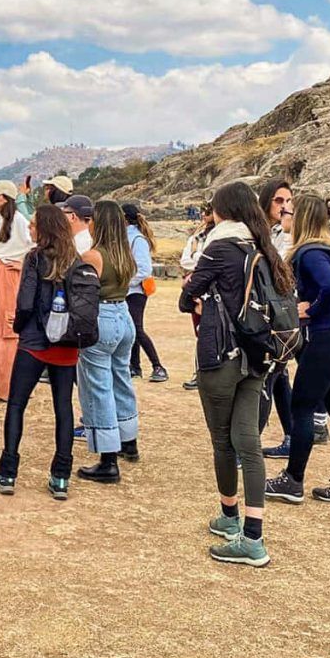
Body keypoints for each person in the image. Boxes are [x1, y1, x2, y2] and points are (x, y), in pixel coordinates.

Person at [179, 180, 293, 567]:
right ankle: (253, 535)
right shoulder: (264, 247)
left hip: (222, 355)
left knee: (222, 442)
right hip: (259, 356)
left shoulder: (220, 246)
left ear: (223, 210)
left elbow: (185, 298)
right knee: (249, 441)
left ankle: (230, 518)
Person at [265, 195, 330, 506]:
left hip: (326, 340)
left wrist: (311, 310)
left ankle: (293, 479)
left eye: (288, 212)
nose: (284, 215)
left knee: (302, 407)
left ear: (303, 218)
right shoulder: (329, 249)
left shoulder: (309, 253)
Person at [0, 204, 98, 499]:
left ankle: (8, 472)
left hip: (35, 343)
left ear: (44, 228)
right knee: (63, 409)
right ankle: (60, 476)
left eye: (34, 224)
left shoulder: (35, 258)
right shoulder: (75, 260)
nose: (29, 227)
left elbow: (25, 302)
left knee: (16, 404)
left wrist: (21, 326)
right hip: (66, 347)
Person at [75, 200, 139, 483]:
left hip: (102, 318)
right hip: (124, 315)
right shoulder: (125, 253)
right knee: (121, 378)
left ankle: (107, 457)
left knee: (97, 386)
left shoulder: (93, 255)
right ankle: (129, 440)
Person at [255, 178, 317, 456]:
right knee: (278, 378)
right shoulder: (264, 232)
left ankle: (249, 446)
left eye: (288, 201)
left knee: (268, 377)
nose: (284, 207)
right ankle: (292, 435)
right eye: (278, 201)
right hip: (270, 313)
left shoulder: (290, 235)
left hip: (281, 316)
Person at [0, 180, 33, 400]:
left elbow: (33, 244)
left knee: (6, 327)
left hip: (7, 273)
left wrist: (21, 264)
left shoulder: (19, 220)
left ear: (6, 198)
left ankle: (9, 386)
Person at [122, 203, 168, 382]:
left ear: (124, 218)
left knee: (137, 329)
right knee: (130, 329)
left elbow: (144, 269)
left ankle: (158, 366)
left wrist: (125, 283)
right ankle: (135, 366)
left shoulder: (136, 239)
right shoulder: (127, 237)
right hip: (129, 289)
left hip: (135, 291)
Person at [179, 202, 215, 389]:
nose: (203, 214)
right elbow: (185, 260)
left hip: (211, 289)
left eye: (207, 211)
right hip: (198, 289)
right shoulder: (196, 236)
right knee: (199, 331)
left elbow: (209, 260)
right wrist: (196, 257)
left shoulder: (217, 236)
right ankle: (199, 371)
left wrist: (195, 256)